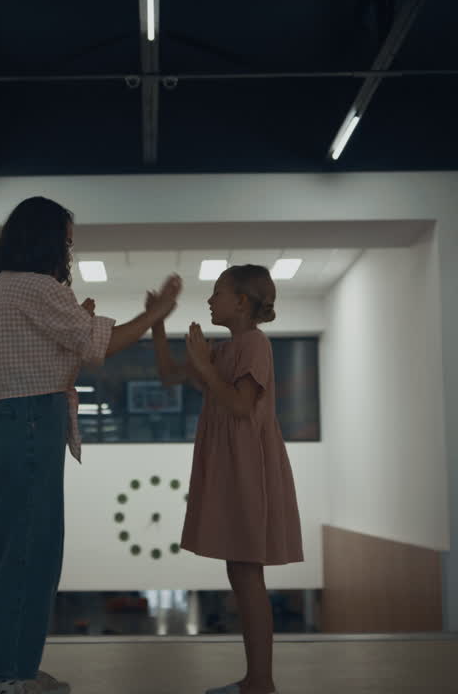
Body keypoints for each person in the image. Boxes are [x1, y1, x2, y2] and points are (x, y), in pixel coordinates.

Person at [0, 196, 181, 694]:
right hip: (30, 424)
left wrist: (84, 327)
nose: (68, 252)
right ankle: (10, 677)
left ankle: (19, 669)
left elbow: (66, 360)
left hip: (21, 424)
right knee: (27, 555)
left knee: (32, 553)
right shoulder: (35, 286)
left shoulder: (1, 290)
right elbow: (100, 347)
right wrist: (156, 312)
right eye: (66, 241)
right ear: (45, 239)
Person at [149, 264, 303, 694]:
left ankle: (261, 681)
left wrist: (203, 362)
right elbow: (168, 375)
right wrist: (158, 325)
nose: (209, 300)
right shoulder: (226, 347)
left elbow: (239, 404)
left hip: (248, 465)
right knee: (241, 572)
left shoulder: (254, 345)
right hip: (231, 464)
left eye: (217, 293)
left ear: (241, 302)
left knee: (247, 573)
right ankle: (257, 679)